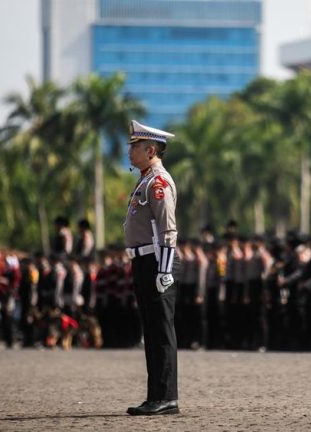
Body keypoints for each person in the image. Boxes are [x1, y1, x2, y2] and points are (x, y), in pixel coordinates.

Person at [124, 120, 180, 416]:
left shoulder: (158, 182)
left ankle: (166, 397)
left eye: (134, 147)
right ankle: (156, 395)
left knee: (161, 332)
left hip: (157, 262)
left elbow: (168, 229)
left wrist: (164, 270)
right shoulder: (146, 179)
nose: (129, 152)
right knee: (152, 332)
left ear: (151, 149)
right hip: (145, 261)